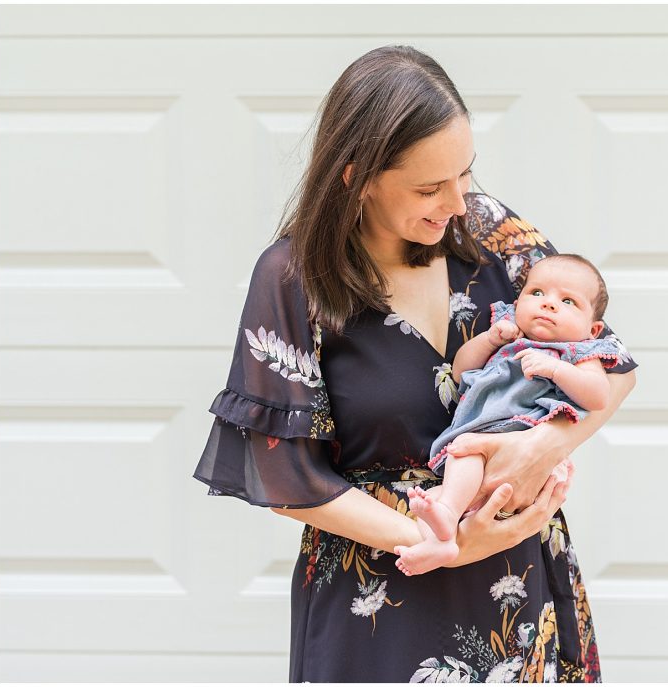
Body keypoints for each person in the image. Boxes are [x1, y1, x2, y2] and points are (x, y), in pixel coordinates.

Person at [192, 44, 637, 683]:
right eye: (429, 186)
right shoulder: (293, 280)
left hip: (520, 576)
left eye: (465, 174)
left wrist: (538, 448)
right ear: (357, 175)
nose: (457, 202)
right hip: (380, 595)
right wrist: (442, 544)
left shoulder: (490, 232)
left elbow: (614, 365)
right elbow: (285, 475)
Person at [395, 254, 624, 576]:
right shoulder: (508, 334)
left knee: (464, 455)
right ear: (518, 302)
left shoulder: (578, 352)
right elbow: (462, 371)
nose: (549, 304)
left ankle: (448, 517)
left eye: (568, 301)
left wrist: (557, 370)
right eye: (537, 293)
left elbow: (598, 395)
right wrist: (489, 339)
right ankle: (441, 540)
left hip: (522, 436)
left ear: (593, 329)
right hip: (481, 435)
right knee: (437, 494)